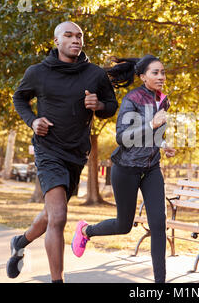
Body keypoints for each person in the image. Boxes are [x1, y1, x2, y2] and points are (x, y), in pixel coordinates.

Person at [8, 21, 118, 283]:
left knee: (50, 215)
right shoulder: (38, 72)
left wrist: (99, 104)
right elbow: (19, 98)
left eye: (79, 35)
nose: (75, 39)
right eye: (68, 35)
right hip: (48, 150)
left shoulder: (95, 74)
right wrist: (33, 121)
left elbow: (111, 105)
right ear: (56, 41)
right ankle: (58, 281)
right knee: (59, 217)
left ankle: (20, 241)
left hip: (76, 153)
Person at [71, 54, 176, 283]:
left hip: (151, 169)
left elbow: (156, 135)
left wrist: (164, 144)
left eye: (162, 72)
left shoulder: (163, 100)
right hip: (126, 168)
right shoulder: (132, 99)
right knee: (123, 226)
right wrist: (152, 123)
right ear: (142, 76)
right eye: (155, 72)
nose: (161, 76)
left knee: (159, 225)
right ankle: (86, 231)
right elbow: (123, 137)